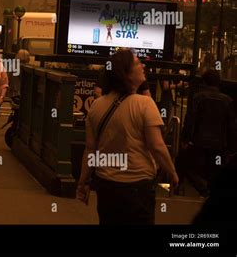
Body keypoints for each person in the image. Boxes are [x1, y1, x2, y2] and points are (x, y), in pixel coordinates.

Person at [76, 49, 179, 225]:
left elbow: (90, 149)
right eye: (138, 63)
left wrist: (83, 182)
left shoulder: (97, 106)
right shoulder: (145, 104)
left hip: (106, 185)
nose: (143, 66)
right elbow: (157, 146)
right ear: (127, 73)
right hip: (137, 187)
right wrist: (172, 172)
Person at [178, 69, 236, 197]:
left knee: (186, 165)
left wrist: (185, 139)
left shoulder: (198, 97)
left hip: (199, 141)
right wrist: (232, 147)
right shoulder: (227, 100)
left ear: (204, 82)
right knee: (215, 168)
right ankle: (210, 191)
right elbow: (231, 126)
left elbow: (190, 120)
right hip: (219, 143)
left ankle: (203, 189)